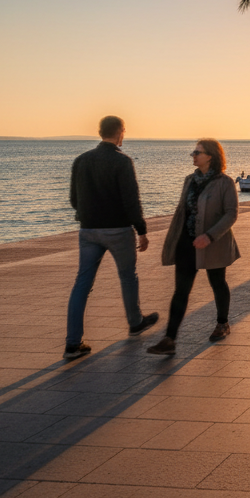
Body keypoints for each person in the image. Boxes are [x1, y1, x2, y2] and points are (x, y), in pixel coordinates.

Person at [65, 116, 158, 360]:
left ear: (99, 132)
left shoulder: (81, 160)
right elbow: (131, 199)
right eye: (124, 131)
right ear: (119, 133)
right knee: (128, 276)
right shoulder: (122, 161)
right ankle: (135, 321)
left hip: (88, 231)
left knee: (82, 285)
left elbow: (74, 199)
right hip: (117, 230)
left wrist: (87, 215)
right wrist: (142, 230)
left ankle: (72, 343)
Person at [147, 139, 240, 355]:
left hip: (213, 244)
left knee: (217, 282)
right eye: (193, 152)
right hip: (187, 243)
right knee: (181, 291)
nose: (193, 155)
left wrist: (209, 236)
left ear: (210, 156)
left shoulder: (224, 182)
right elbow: (183, 211)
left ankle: (222, 323)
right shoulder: (189, 180)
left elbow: (231, 213)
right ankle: (169, 339)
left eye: (197, 152)